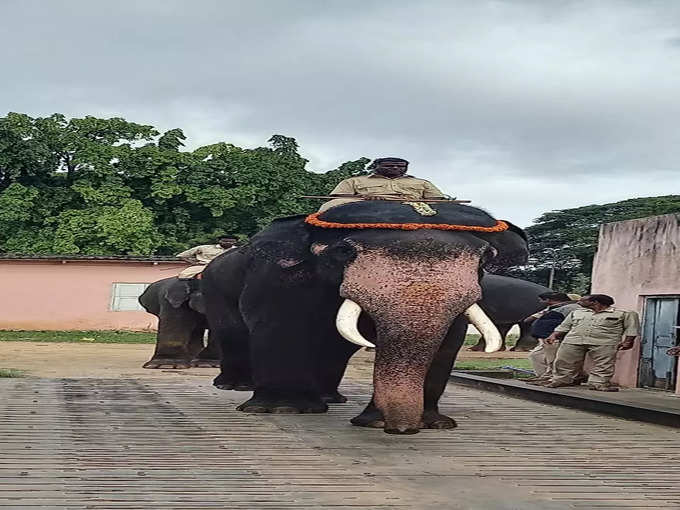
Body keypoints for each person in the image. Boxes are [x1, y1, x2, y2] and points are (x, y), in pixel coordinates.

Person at [541, 294, 640, 391]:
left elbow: (631, 328)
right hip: (574, 339)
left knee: (604, 363)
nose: (578, 302)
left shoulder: (623, 313)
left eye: (582, 300)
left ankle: (599, 383)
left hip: (604, 341)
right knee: (564, 360)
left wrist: (628, 341)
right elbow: (564, 326)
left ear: (594, 302)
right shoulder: (577, 312)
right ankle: (561, 380)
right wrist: (553, 335)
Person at [319, 157, 448, 212]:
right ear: (375, 167)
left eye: (400, 166)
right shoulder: (354, 181)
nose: (395, 168)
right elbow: (339, 197)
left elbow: (438, 200)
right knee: (331, 205)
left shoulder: (422, 182)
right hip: (365, 204)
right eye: (389, 166)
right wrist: (365, 199)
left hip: (413, 205)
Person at [524, 292, 580, 383]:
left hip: (556, 338)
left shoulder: (572, 308)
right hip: (546, 337)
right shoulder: (555, 308)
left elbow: (567, 324)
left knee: (554, 359)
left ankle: (555, 378)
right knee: (536, 355)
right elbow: (527, 320)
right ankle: (544, 376)